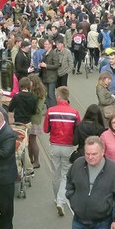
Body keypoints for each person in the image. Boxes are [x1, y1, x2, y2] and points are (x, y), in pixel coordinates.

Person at [43, 86, 81, 217]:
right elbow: (78, 130)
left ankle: (56, 198)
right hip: (68, 146)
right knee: (66, 174)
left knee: (55, 173)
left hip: (54, 144)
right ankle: (61, 200)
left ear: (58, 96)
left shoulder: (51, 111)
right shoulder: (74, 112)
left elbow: (46, 129)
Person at [26, 74, 48, 169]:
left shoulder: (40, 94)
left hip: (34, 119)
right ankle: (31, 159)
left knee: (33, 140)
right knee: (30, 141)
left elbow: (38, 109)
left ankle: (36, 161)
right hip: (31, 118)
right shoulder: (34, 92)